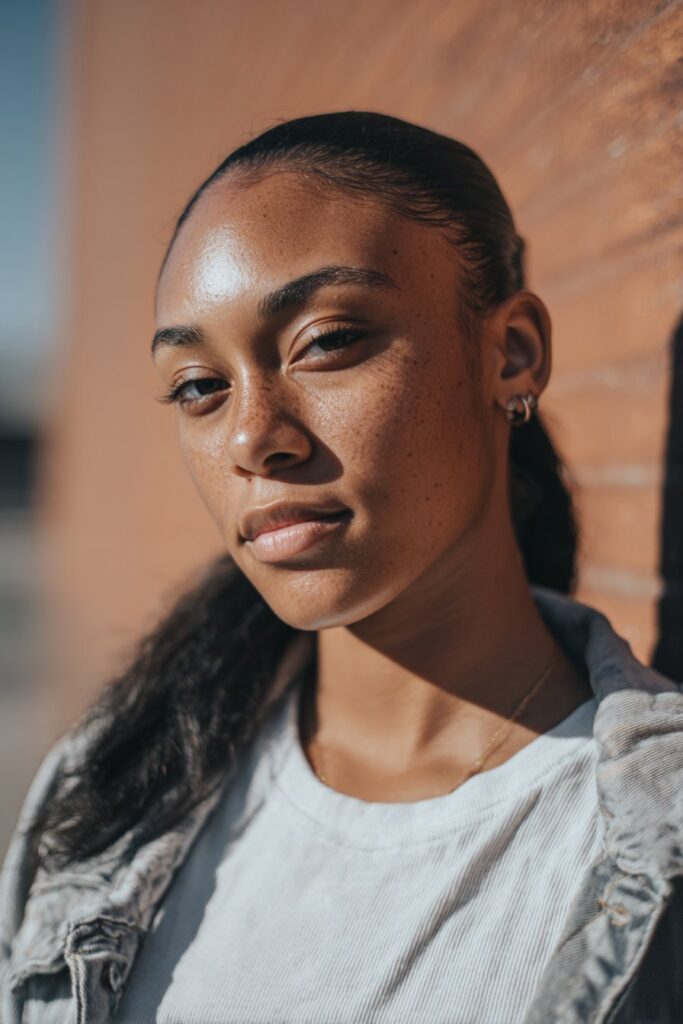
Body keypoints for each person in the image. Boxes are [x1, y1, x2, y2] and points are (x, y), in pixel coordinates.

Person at [1, 111, 682, 1024]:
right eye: (200, 386)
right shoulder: (112, 784)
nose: (251, 438)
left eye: (323, 342)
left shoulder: (651, 851)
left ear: (511, 354)